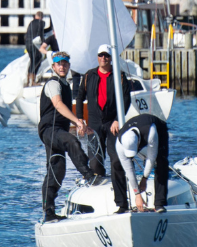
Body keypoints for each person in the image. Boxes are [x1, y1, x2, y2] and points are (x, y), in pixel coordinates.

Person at [39, 52, 101, 222]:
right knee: (71, 140)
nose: (62, 66)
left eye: (65, 64)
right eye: (59, 64)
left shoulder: (66, 85)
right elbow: (58, 105)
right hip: (49, 130)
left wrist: (80, 124)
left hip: (58, 130)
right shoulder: (53, 84)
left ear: (68, 66)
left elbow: (66, 112)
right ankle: (88, 175)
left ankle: (49, 212)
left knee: (57, 170)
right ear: (53, 67)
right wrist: (77, 121)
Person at [73, 44, 131, 211]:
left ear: (110, 58)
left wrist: (118, 120)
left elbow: (126, 100)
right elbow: (79, 97)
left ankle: (121, 202)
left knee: (116, 159)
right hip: (94, 123)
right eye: (101, 55)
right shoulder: (89, 76)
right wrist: (79, 120)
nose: (104, 58)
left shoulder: (119, 76)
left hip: (112, 123)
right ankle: (98, 197)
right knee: (95, 161)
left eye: (107, 55)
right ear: (97, 57)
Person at [116, 113, 170, 213]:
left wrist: (144, 179)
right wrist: (137, 194)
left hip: (158, 129)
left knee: (161, 162)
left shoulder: (151, 132)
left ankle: (159, 203)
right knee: (116, 163)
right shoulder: (119, 143)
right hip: (138, 130)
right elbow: (129, 169)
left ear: (138, 144)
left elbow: (151, 158)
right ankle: (122, 205)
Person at [25, 11, 50, 85]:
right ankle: (32, 81)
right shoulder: (41, 22)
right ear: (42, 17)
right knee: (38, 60)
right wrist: (44, 44)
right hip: (34, 44)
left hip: (28, 44)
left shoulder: (31, 23)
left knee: (33, 61)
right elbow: (41, 34)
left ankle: (28, 80)